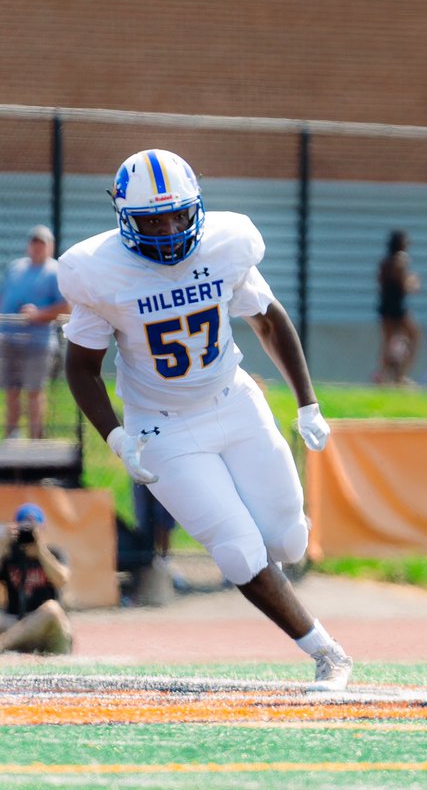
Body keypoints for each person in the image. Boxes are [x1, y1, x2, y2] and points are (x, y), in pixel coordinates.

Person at [58, 149, 353, 690]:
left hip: (234, 403)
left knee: (286, 543)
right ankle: (327, 652)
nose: (169, 230)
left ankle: (275, 572)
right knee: (238, 549)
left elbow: (268, 320)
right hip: (164, 428)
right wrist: (117, 436)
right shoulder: (98, 272)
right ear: (125, 220)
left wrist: (307, 400)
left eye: (177, 215)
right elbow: (80, 368)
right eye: (152, 219)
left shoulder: (224, 245)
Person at [1, 225, 69, 440]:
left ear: (50, 246)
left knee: (34, 391)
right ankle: (12, 439)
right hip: (9, 339)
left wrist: (39, 314)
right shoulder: (15, 268)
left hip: (38, 342)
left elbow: (66, 306)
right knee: (11, 390)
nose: (37, 247)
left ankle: (36, 442)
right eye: (34, 242)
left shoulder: (55, 271)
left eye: (42, 243)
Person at [0, 502, 73, 654]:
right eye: (24, 529)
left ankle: (3, 644)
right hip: (17, 622)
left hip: (47, 627)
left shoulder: (54, 553)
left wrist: (40, 549)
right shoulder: (9, 557)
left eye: (33, 529)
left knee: (52, 609)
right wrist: (3, 543)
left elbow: (61, 580)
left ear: (43, 528)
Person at [374, 229, 421, 385]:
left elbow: (380, 284)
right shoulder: (401, 261)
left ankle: (381, 375)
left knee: (388, 342)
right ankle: (400, 375)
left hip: (385, 306)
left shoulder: (384, 262)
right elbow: (404, 285)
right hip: (398, 308)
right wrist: (413, 282)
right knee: (413, 336)